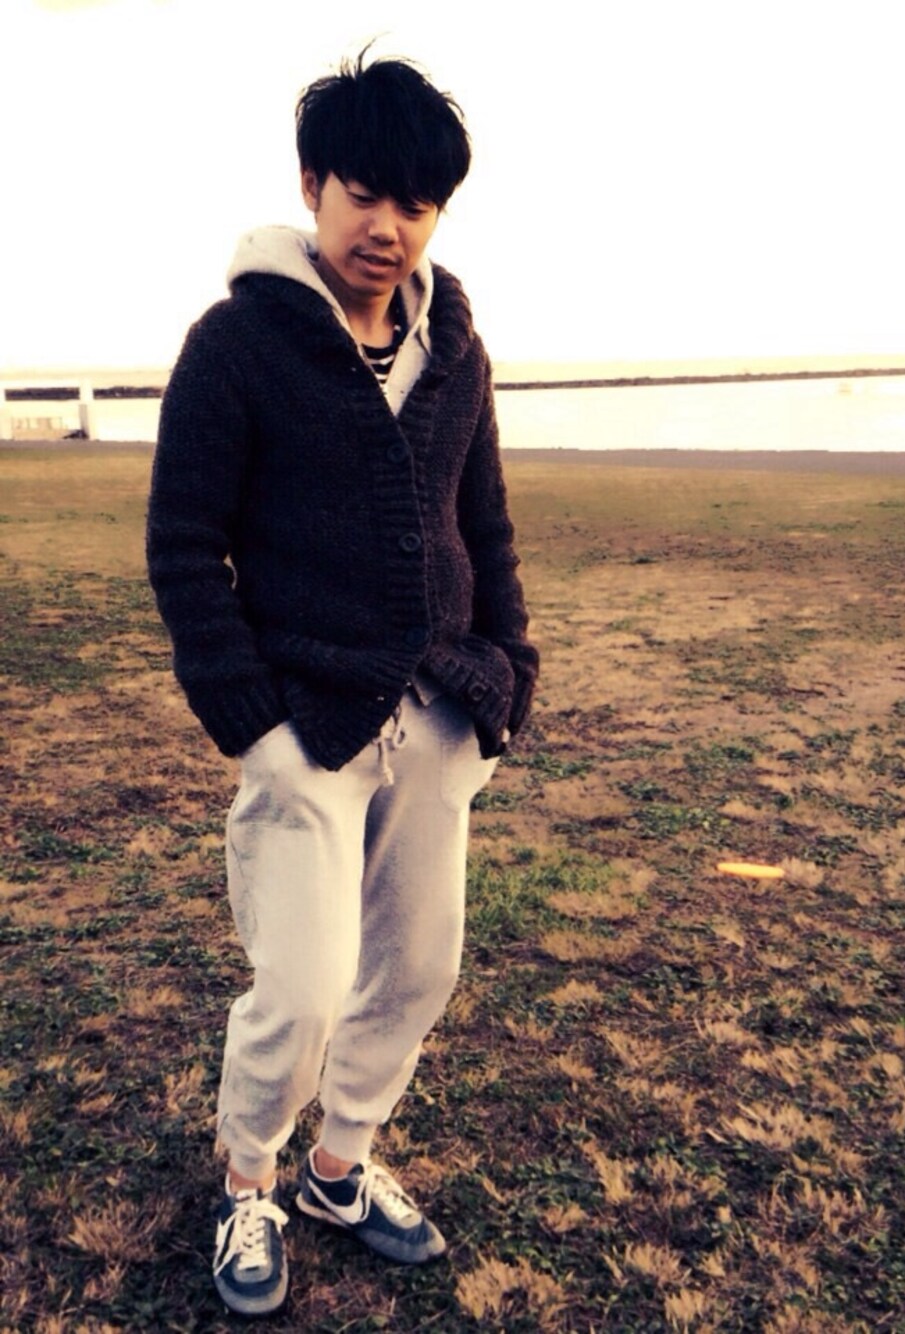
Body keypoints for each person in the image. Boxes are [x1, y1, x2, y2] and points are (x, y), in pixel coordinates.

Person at [146, 52, 538, 1318]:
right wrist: (250, 722)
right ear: (312, 184)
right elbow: (183, 546)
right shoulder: (237, 344)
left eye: (417, 204)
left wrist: (508, 675)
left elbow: (484, 524)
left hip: (439, 711)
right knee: (304, 986)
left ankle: (337, 1164)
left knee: (419, 966)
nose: (387, 226)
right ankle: (248, 1178)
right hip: (303, 721)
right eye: (364, 192)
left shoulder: (455, 347)